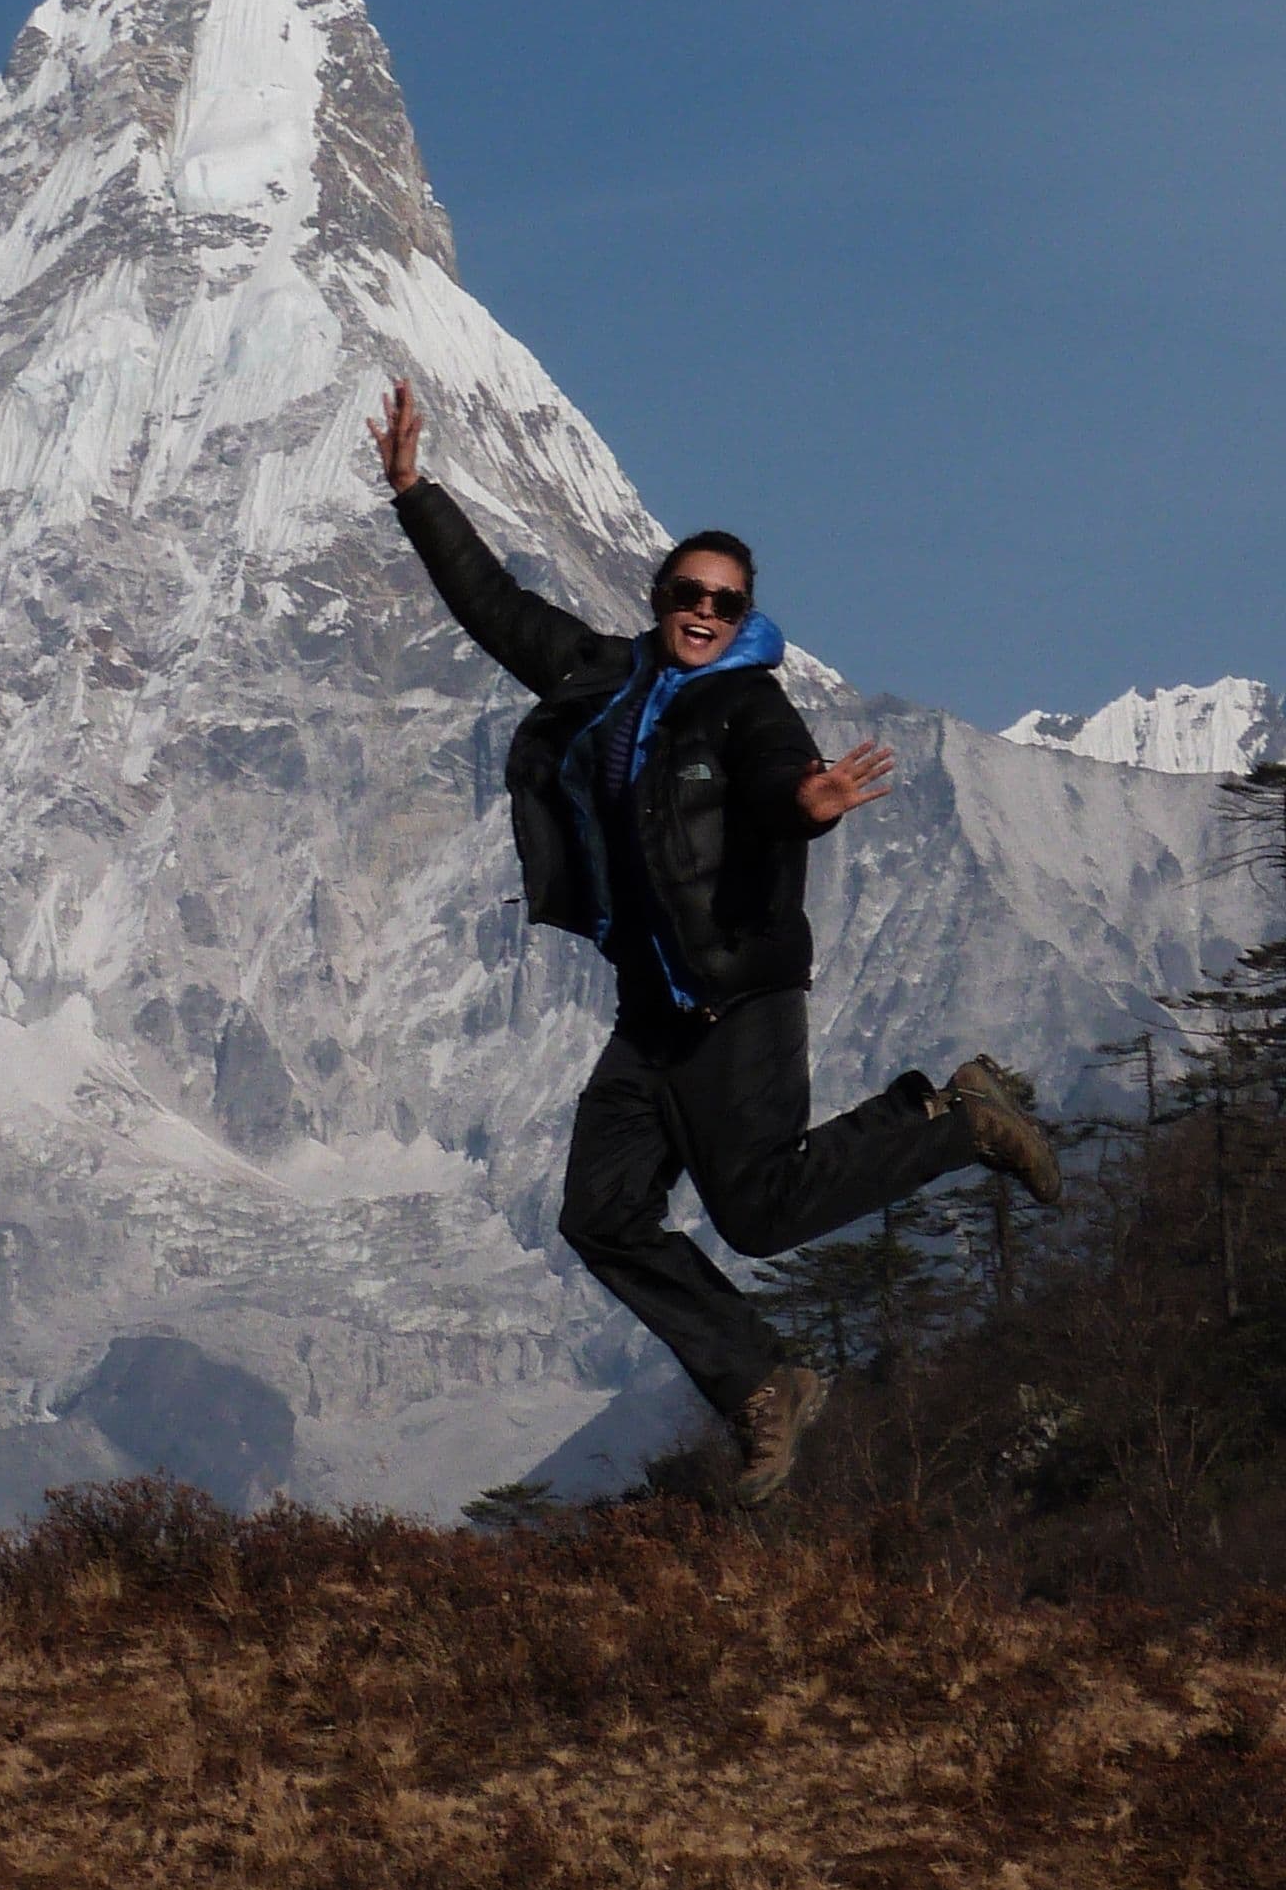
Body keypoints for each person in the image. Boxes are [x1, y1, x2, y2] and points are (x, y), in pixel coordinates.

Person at [369, 378, 1061, 1504]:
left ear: (746, 619)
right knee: (597, 1215)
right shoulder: (605, 675)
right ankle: (761, 1381)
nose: (703, 612)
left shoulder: (749, 707)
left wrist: (810, 802)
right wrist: (412, 493)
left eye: (725, 603)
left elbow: (778, 779)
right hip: (649, 1014)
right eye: (688, 592)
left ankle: (958, 1123)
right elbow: (497, 608)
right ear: (658, 595)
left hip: (738, 997)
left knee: (759, 1214)